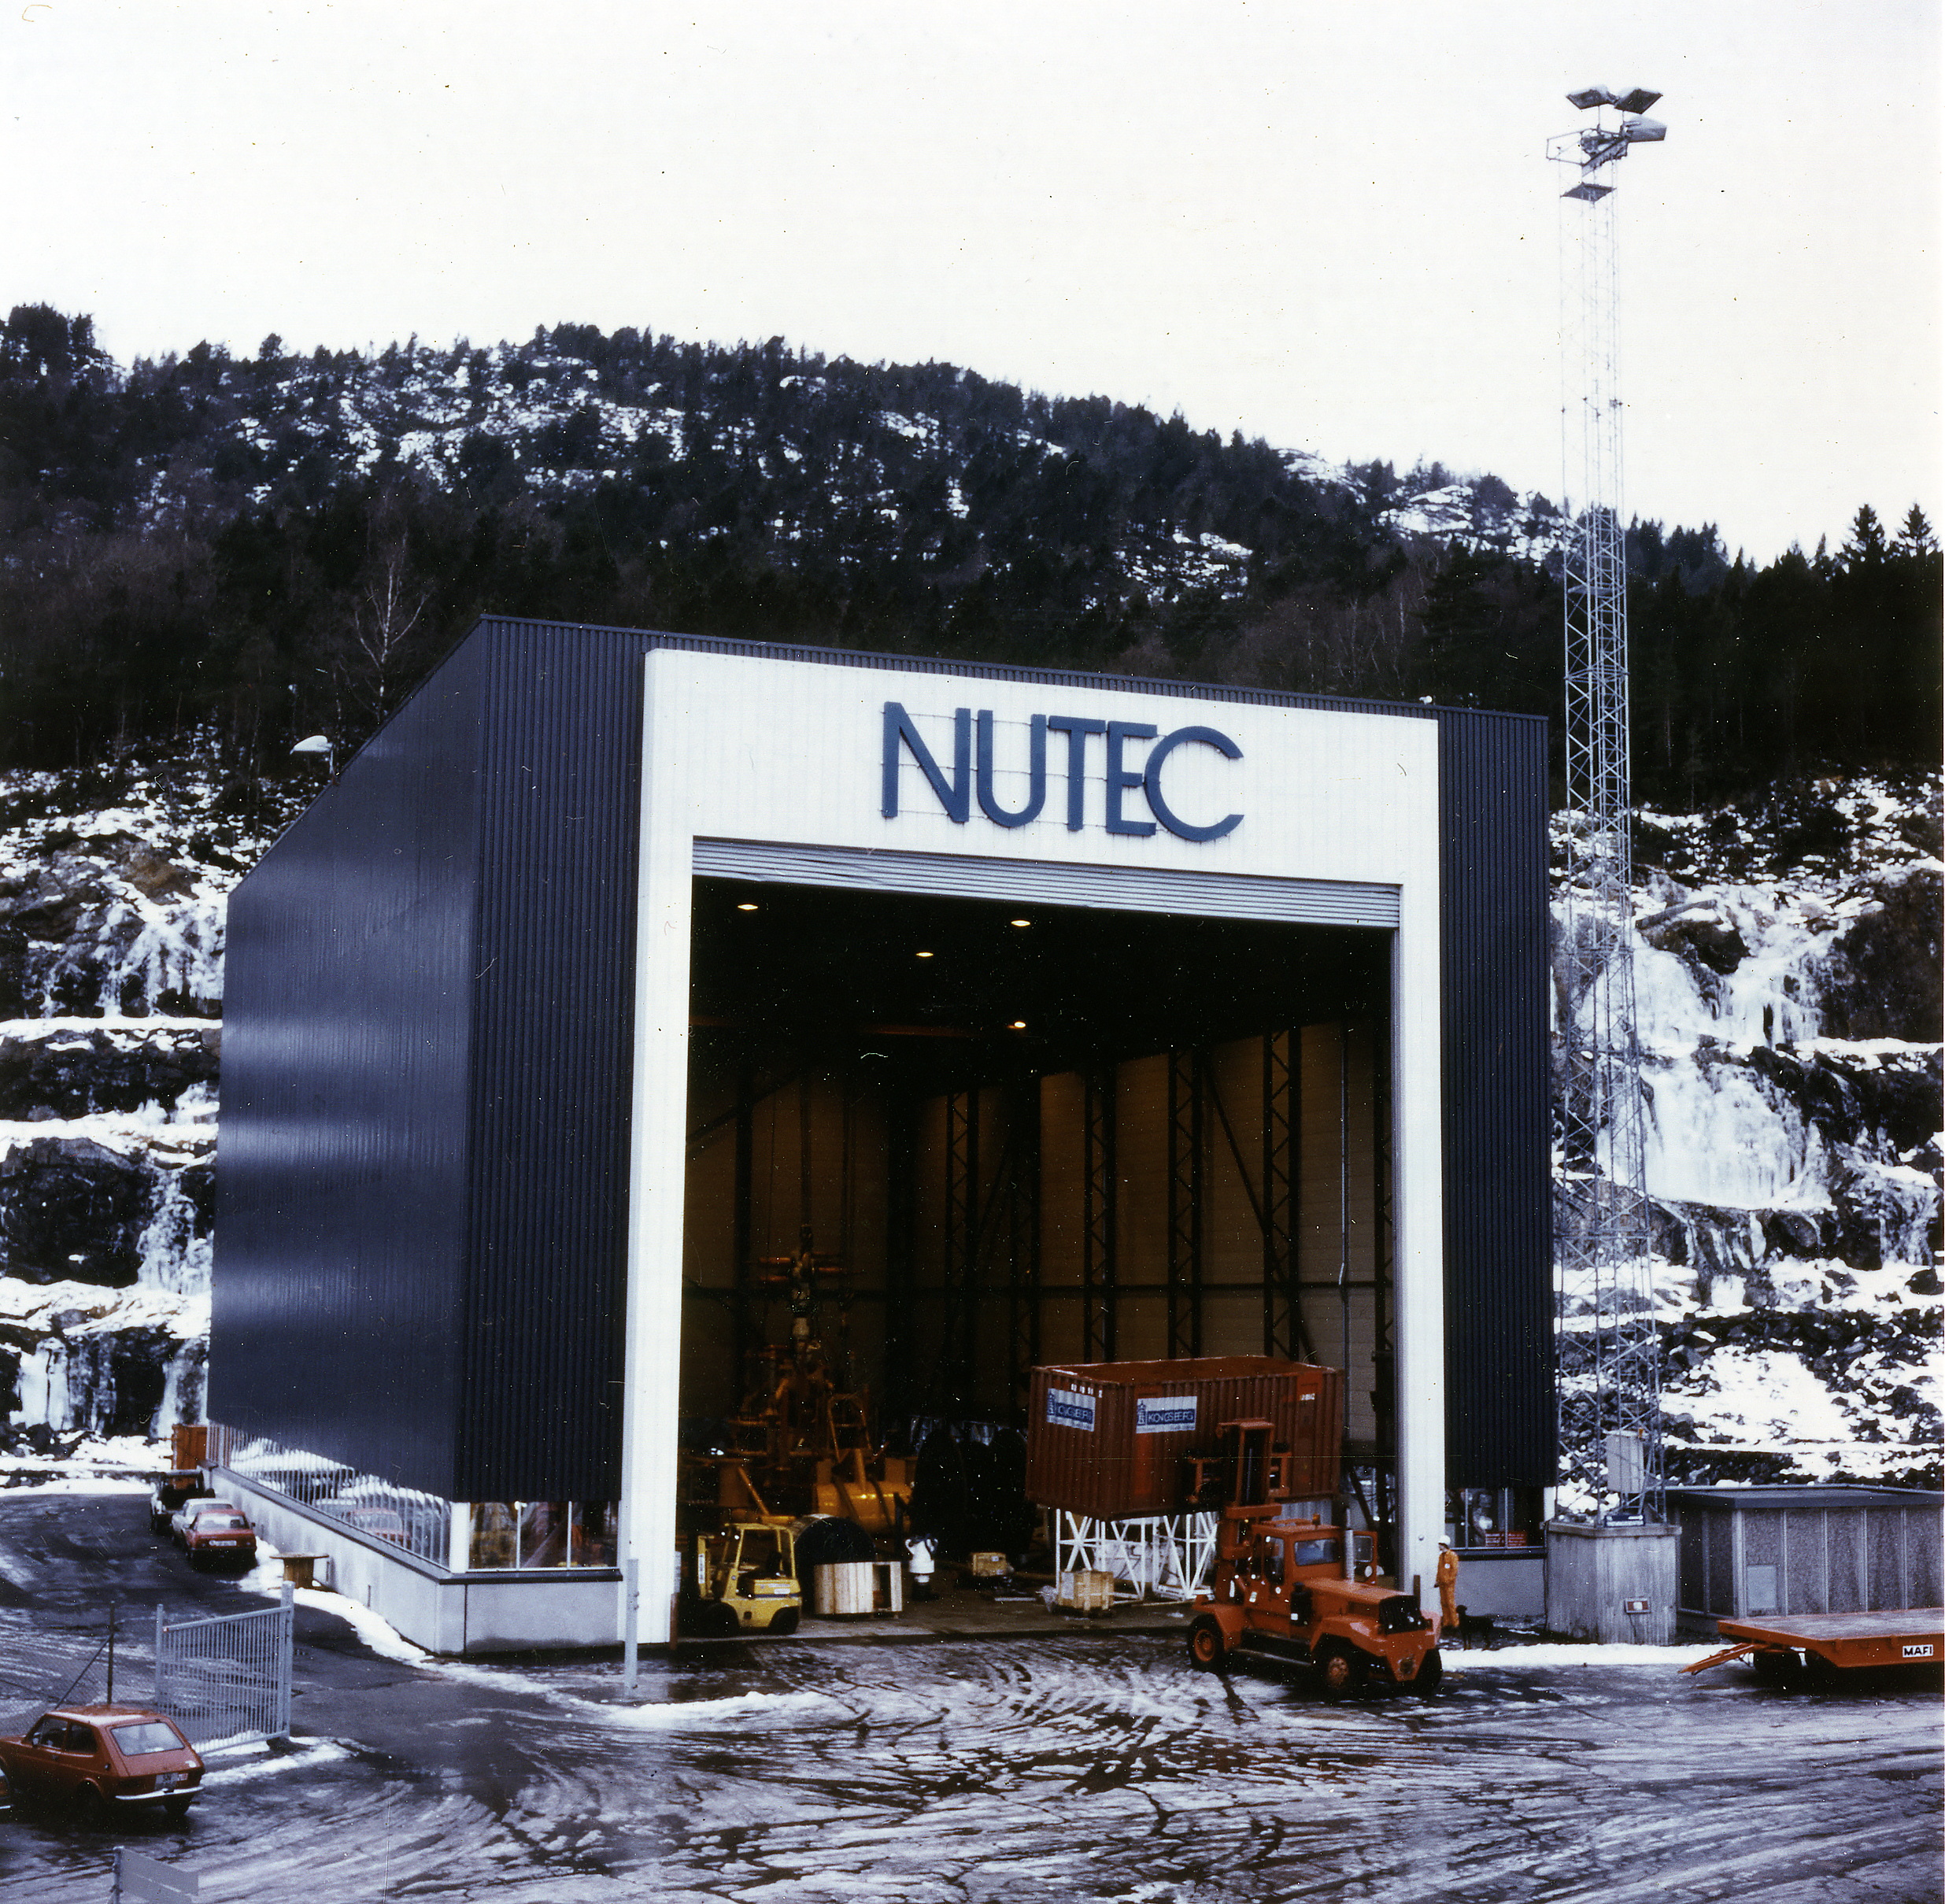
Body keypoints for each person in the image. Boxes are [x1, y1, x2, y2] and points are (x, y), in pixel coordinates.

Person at [1435, 1538, 1460, 1640]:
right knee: (1444, 1603)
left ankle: (1455, 1624)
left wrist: (1449, 1580)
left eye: (1440, 1545)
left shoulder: (1452, 1556)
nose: (1439, 1547)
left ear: (1444, 1545)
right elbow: (1439, 1570)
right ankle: (1446, 1623)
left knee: (1450, 1603)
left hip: (1449, 1584)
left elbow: (1454, 1570)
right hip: (1442, 1583)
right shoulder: (1441, 1556)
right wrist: (1437, 1580)